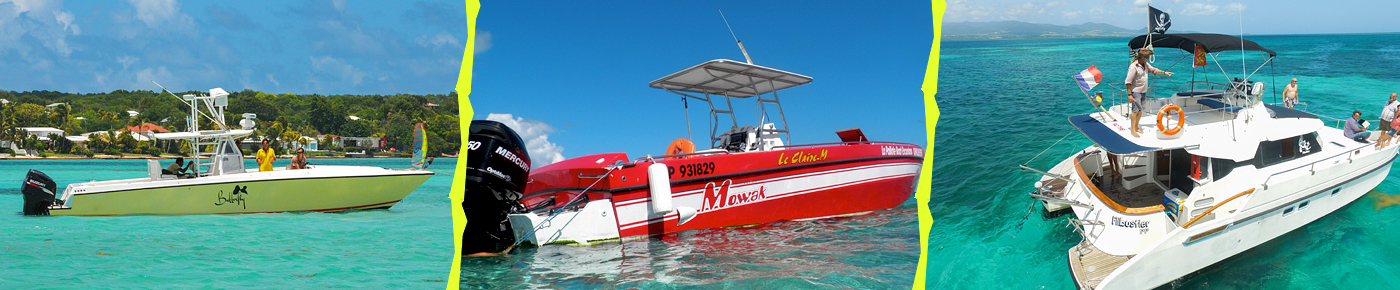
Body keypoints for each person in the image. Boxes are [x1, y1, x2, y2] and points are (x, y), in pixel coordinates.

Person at [1124, 46, 1174, 138]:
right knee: (1135, 111)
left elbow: (1154, 70)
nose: (1148, 59)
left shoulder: (1145, 65)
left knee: (1140, 110)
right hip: (1135, 92)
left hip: (1143, 91)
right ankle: (1133, 130)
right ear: (1142, 57)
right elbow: (1128, 82)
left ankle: (1136, 126)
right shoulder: (1133, 67)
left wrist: (1164, 72)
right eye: (1147, 57)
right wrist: (1129, 95)